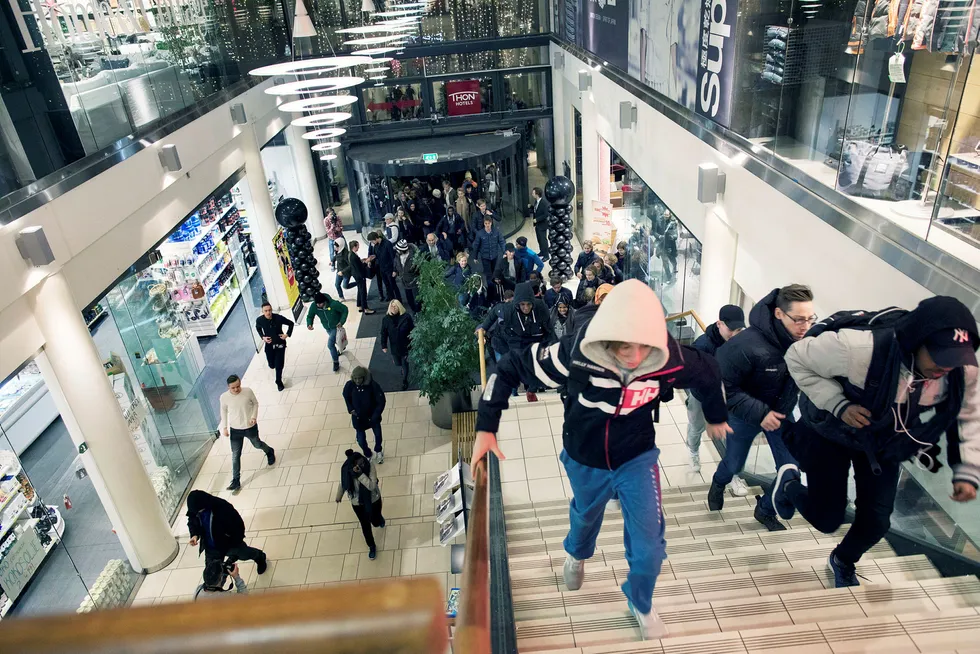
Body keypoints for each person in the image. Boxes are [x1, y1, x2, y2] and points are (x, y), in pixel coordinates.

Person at [471, 280, 731, 640]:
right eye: (625, 345)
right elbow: (510, 368)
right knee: (586, 514)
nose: (635, 356)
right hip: (585, 456)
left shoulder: (668, 356)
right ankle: (576, 554)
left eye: (645, 346)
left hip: (636, 457)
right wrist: (486, 426)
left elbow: (708, 370)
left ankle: (640, 602)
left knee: (650, 546)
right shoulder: (575, 356)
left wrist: (716, 415)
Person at [772, 296, 980, 587]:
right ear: (915, 341)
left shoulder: (962, 370)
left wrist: (968, 470)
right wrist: (838, 404)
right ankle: (790, 483)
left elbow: (969, 413)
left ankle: (843, 559)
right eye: (939, 356)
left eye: (956, 358)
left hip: (885, 438)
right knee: (827, 518)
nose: (946, 368)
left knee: (878, 521)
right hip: (832, 430)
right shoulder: (858, 349)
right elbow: (796, 357)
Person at [708, 285, 812, 532]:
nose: (805, 326)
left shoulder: (805, 342)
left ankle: (765, 508)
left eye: (809, 319)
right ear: (778, 314)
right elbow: (723, 387)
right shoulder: (743, 345)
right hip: (744, 416)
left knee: (790, 469)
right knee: (734, 465)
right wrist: (760, 413)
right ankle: (718, 482)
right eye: (798, 319)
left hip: (781, 413)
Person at [685, 305, 745, 472]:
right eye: (731, 329)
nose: (734, 334)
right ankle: (693, 450)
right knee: (696, 427)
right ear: (719, 324)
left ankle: (733, 472)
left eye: (739, 329)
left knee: (731, 433)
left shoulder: (741, 343)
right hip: (702, 396)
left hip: (730, 396)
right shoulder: (702, 346)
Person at [187, 489, 268, 573]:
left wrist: (235, 540)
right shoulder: (195, 510)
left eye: (200, 510)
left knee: (244, 554)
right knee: (212, 573)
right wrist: (194, 534)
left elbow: (238, 524)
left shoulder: (222, 507)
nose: (198, 513)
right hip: (210, 547)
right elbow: (192, 521)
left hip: (228, 543)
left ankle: (259, 556)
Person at [220, 375, 275, 492]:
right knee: (235, 455)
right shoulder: (224, 397)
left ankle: (269, 451)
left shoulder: (247, 392)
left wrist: (254, 417)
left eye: (238, 386)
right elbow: (223, 411)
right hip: (235, 429)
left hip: (250, 427)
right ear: (228, 387)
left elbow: (255, 403)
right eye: (233, 388)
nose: (236, 389)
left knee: (257, 444)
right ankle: (236, 480)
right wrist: (224, 427)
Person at [335, 449, 386, 560]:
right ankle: (371, 546)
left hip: (373, 500)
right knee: (365, 525)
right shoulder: (347, 470)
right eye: (359, 464)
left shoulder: (369, 466)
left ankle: (379, 519)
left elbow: (372, 486)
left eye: (362, 462)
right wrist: (338, 496)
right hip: (357, 503)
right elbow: (343, 483)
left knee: (375, 521)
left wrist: (360, 475)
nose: (362, 464)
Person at [343, 366, 387, 463]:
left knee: (378, 436)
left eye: (359, 378)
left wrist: (375, 415)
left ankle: (378, 450)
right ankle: (367, 453)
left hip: (372, 418)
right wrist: (350, 409)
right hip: (358, 419)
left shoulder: (373, 386)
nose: (357, 381)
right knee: (361, 440)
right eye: (355, 378)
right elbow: (346, 395)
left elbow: (381, 401)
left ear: (364, 377)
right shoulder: (350, 385)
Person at [254, 302, 294, 392]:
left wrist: (286, 335)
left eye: (269, 310)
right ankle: (273, 366)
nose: (268, 312)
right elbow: (258, 328)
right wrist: (263, 337)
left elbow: (291, 323)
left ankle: (278, 381)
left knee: (279, 365)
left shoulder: (278, 318)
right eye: (266, 311)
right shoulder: (260, 320)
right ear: (262, 311)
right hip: (269, 345)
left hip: (280, 343)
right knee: (272, 365)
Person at [306, 291, 349, 372]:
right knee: (337, 341)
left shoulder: (333, 304)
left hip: (336, 327)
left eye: (320, 303)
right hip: (327, 327)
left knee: (330, 345)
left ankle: (335, 362)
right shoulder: (314, 306)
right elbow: (310, 316)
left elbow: (345, 309)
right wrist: (309, 324)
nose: (319, 305)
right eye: (317, 304)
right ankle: (341, 345)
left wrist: (341, 321)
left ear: (324, 301)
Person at [381, 300, 415, 390]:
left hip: (405, 345)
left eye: (395, 306)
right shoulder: (386, 319)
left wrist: (413, 342)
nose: (393, 308)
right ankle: (403, 369)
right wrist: (383, 345)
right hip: (394, 347)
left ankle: (405, 380)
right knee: (397, 363)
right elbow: (383, 333)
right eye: (392, 306)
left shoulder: (406, 317)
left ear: (399, 307)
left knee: (404, 363)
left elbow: (412, 330)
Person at [479, 289, 515, 362]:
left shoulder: (498, 308)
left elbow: (488, 321)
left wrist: (482, 332)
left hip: (497, 341)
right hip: (504, 341)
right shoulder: (515, 309)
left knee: (501, 364)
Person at [469, 216, 505, 282]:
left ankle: (492, 283)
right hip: (485, 257)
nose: (487, 225)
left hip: (494, 255)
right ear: (484, 224)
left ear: (491, 223)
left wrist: (504, 252)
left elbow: (502, 242)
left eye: (489, 223)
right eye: (486, 223)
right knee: (488, 274)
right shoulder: (480, 234)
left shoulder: (496, 232)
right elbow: (476, 246)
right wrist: (475, 257)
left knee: (493, 270)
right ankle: (490, 287)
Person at [368, 231, 401, 303]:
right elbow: (377, 255)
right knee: (387, 284)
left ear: (376, 238)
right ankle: (391, 298)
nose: (372, 243)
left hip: (389, 268)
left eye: (372, 241)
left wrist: (394, 270)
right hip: (381, 268)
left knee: (393, 285)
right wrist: (372, 258)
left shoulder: (387, 243)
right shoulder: (376, 246)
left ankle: (399, 300)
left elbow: (393, 257)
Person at [347, 240, 375, 315]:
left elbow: (357, 264)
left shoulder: (351, 254)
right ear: (354, 247)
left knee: (360, 290)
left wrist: (362, 260)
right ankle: (365, 308)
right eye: (357, 246)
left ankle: (359, 305)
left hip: (356, 275)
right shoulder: (353, 257)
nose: (359, 247)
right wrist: (367, 261)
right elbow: (360, 267)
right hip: (360, 275)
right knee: (363, 292)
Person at [393, 239, 420, 312]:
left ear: (403, 250)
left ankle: (419, 312)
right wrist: (395, 270)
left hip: (414, 282)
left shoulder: (414, 256)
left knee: (418, 299)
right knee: (409, 299)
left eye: (398, 250)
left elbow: (419, 268)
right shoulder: (398, 255)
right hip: (404, 281)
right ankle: (414, 311)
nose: (397, 251)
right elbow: (396, 263)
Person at [530, 187, 551, 261]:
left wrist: (537, 219)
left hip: (542, 225)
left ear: (537, 194)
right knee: (539, 239)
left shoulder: (544, 203)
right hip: (538, 225)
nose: (532, 194)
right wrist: (531, 207)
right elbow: (536, 210)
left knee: (543, 240)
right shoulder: (536, 201)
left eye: (533, 193)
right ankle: (542, 252)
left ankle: (546, 255)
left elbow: (546, 214)